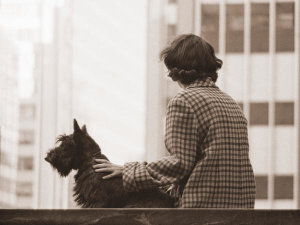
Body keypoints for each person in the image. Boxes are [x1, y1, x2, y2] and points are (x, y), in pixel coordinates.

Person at [93, 34, 256, 208]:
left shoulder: (183, 101)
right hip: (240, 210)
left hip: (202, 211)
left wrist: (128, 172)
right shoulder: (230, 103)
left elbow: (179, 164)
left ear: (176, 69)